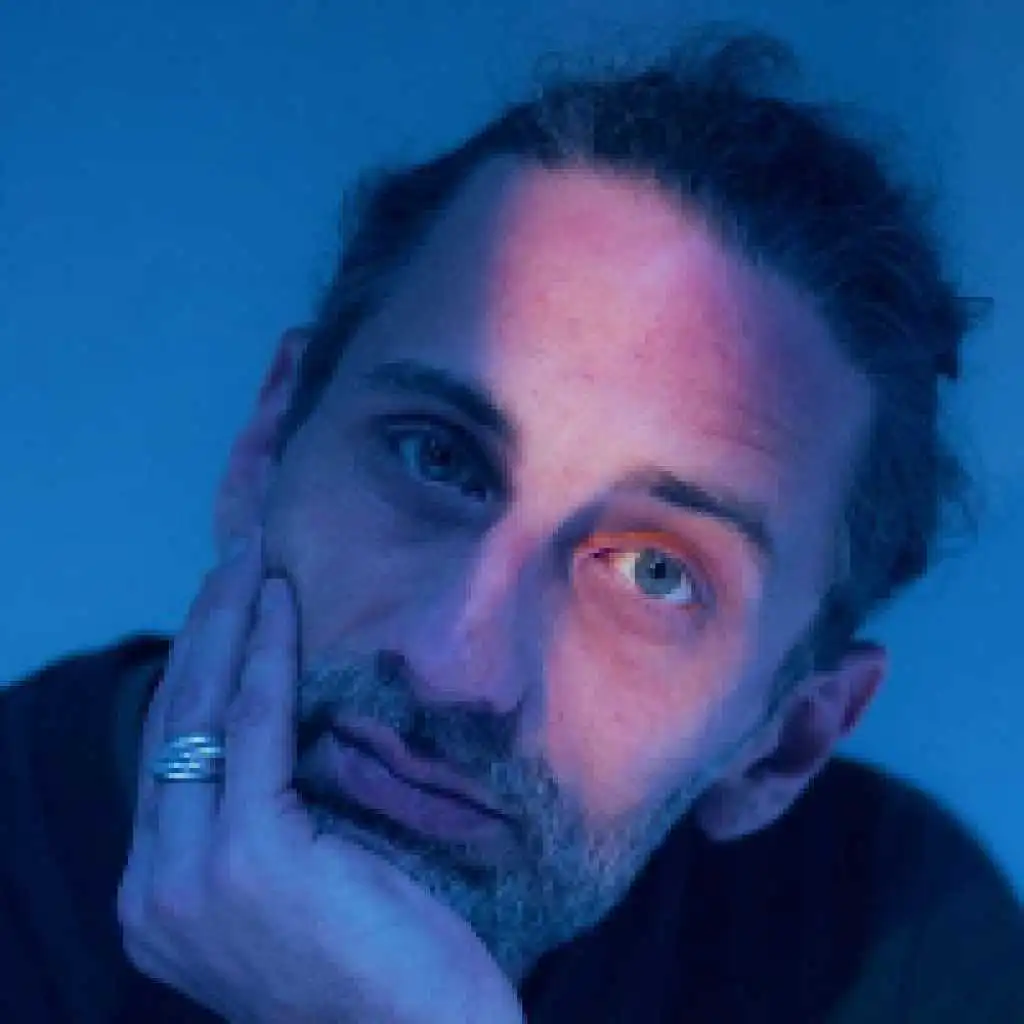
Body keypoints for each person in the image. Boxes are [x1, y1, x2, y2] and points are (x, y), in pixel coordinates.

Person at [3, 28, 1022, 1024]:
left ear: (783, 743)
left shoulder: (897, 940)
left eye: (655, 572)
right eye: (435, 457)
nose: (455, 665)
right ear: (270, 442)